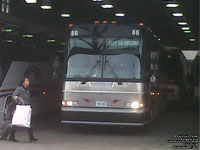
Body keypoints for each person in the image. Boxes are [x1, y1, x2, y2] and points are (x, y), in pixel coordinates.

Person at [9, 77, 38, 142]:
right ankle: (12, 136)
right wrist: (19, 99)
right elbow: (14, 96)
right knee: (16, 122)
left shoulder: (27, 89)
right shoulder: (19, 89)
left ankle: (31, 137)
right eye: (27, 81)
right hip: (20, 107)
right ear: (23, 82)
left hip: (26, 107)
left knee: (27, 121)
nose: (28, 82)